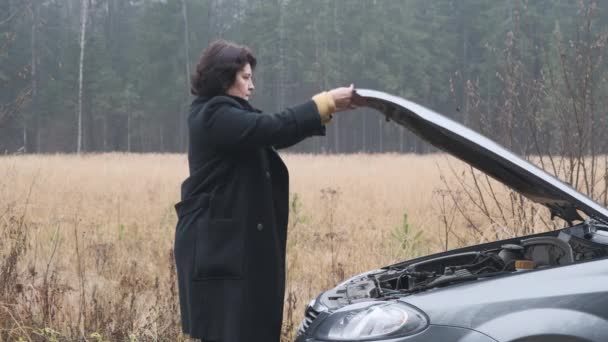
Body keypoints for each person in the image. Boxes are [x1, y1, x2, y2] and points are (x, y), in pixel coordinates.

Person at [173, 40, 355, 342]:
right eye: (245, 77)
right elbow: (271, 128)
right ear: (223, 77)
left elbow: (270, 128)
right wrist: (325, 103)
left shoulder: (222, 113)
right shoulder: (214, 114)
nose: (252, 85)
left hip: (227, 251)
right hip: (222, 255)